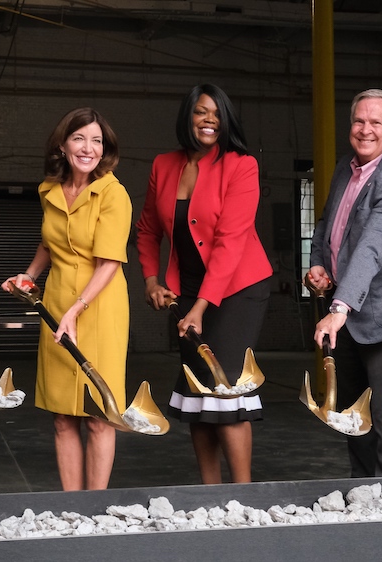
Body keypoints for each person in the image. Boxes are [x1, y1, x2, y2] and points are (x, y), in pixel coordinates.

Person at [136, 83, 272, 484]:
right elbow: (146, 230)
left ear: (226, 120)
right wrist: (150, 280)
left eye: (217, 112)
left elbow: (231, 243)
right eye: (200, 111)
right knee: (197, 391)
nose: (209, 119)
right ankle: (210, 494)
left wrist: (200, 307)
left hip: (238, 290)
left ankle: (243, 493)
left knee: (224, 387)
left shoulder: (241, 165)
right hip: (187, 290)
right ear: (187, 117)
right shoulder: (163, 165)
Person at [2, 108, 131, 492]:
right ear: (63, 144)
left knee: (98, 415)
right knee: (62, 416)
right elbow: (50, 242)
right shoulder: (49, 191)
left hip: (100, 306)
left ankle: (94, 506)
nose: (88, 148)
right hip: (57, 302)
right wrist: (30, 275)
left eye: (96, 141)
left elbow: (109, 262)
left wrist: (76, 310)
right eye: (79, 138)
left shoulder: (113, 194)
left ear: (104, 149)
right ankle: (71, 507)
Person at [307, 89, 382, 478]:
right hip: (346, 318)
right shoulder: (347, 166)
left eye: (376, 122)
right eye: (359, 121)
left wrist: (338, 308)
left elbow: (372, 247)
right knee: (352, 419)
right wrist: (320, 262)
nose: (365, 130)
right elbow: (327, 223)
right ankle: (363, 501)